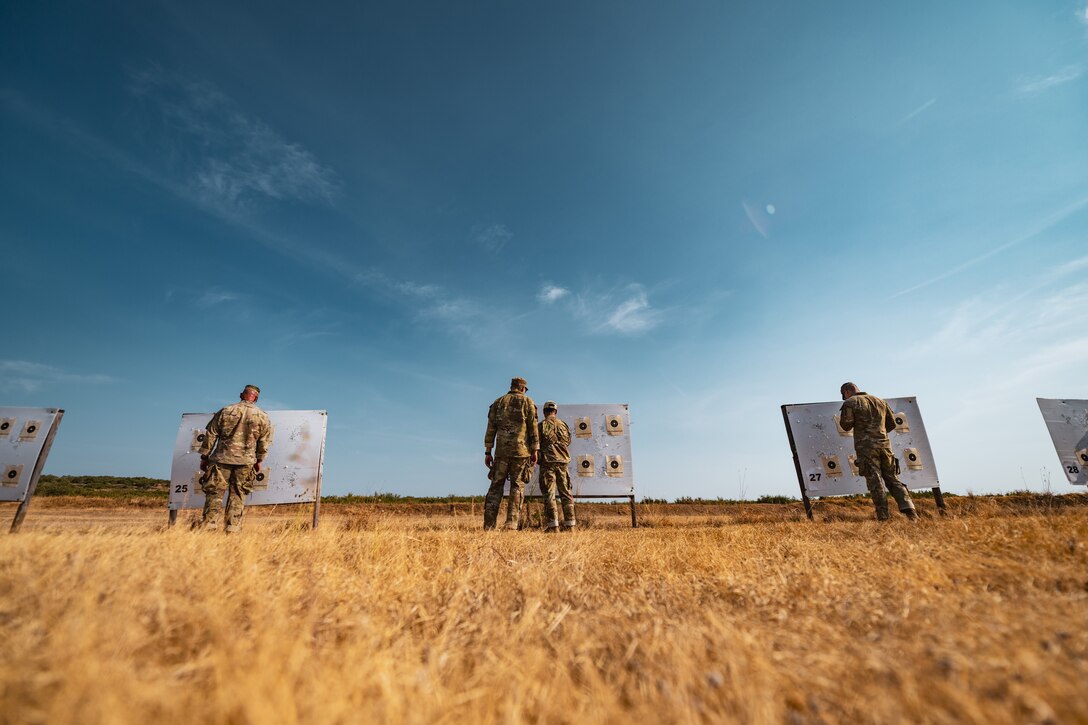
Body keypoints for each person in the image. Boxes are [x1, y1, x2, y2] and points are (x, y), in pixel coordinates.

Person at [197, 384, 273, 533]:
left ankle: (208, 528)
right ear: (256, 398)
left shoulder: (226, 411)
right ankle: (232, 529)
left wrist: (204, 456)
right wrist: (259, 460)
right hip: (246, 462)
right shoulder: (262, 416)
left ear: (241, 395)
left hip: (221, 460)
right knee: (238, 495)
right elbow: (264, 443)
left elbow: (211, 434)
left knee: (214, 493)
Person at [838, 382, 917, 521]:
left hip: (866, 448)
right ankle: (911, 512)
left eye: (843, 395)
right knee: (893, 479)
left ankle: (883, 517)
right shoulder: (880, 401)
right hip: (885, 446)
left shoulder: (850, 402)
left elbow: (846, 425)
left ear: (846, 391)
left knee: (876, 481)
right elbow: (892, 423)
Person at [483, 377, 539, 530]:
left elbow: (490, 429)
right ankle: (511, 525)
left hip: (501, 452)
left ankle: (489, 525)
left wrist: (488, 451)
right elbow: (533, 428)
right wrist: (535, 450)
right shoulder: (528, 402)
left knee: (496, 486)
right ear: (522, 388)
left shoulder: (498, 403)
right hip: (521, 453)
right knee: (517, 486)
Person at [537, 401, 575, 532]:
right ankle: (571, 526)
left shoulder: (541, 426)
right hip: (563, 463)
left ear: (544, 412)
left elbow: (536, 444)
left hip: (548, 464)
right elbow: (568, 441)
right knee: (566, 493)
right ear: (556, 412)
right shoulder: (563, 424)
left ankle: (554, 527)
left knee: (549, 495)